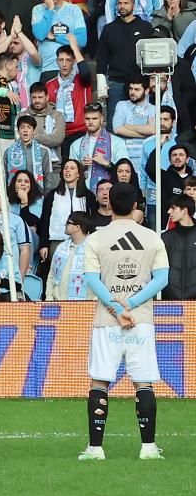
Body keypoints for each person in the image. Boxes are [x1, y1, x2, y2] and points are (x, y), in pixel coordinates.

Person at [78, 183, 169, 460]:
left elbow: (92, 279)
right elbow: (162, 279)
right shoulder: (152, 237)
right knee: (143, 383)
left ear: (109, 204)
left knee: (99, 382)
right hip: (140, 319)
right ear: (135, 206)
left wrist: (117, 307)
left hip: (107, 320)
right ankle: (148, 447)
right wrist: (130, 304)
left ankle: (95, 448)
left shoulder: (96, 238)